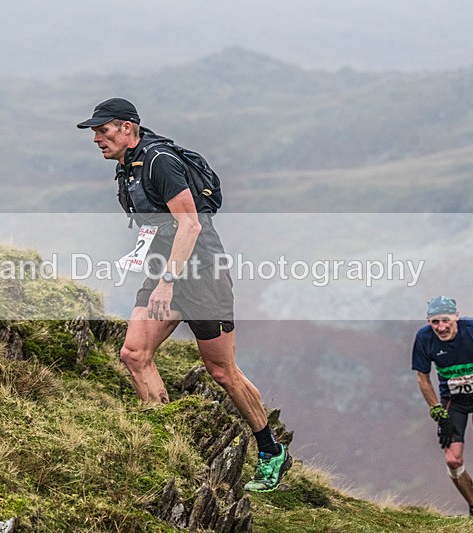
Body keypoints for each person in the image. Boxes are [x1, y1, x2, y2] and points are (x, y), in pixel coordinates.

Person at [77, 98, 291, 492]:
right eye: (94, 132)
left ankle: (270, 449)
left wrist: (168, 280)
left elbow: (189, 225)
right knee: (134, 354)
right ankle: (167, 447)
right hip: (165, 273)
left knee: (222, 372)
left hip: (201, 274)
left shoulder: (160, 161)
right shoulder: (128, 168)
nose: (96, 138)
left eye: (102, 129)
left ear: (127, 128)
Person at [411, 296, 473, 521]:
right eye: (435, 322)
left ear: (456, 316)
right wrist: (438, 412)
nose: (441, 327)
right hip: (453, 401)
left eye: (445, 320)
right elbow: (422, 377)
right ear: (429, 322)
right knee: (452, 460)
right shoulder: (424, 338)